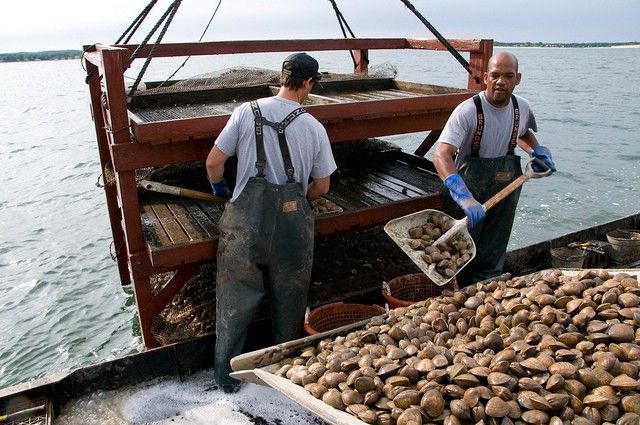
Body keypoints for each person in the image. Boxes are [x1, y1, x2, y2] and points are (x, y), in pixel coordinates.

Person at [205, 52, 337, 392]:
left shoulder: (244, 112)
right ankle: (284, 379)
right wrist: (301, 198)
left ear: (281, 78)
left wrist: (223, 191)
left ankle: (227, 381)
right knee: (290, 301)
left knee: (233, 303)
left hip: (244, 228)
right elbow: (322, 187)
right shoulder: (314, 127)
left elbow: (213, 163)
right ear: (309, 83)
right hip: (292, 230)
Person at [433, 51, 556, 287]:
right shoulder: (468, 111)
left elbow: (523, 133)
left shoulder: (522, 108)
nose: (502, 81)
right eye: (496, 75)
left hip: (505, 187)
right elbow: (441, 154)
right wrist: (462, 196)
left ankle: (487, 291)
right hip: (468, 189)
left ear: (518, 78)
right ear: (486, 77)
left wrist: (537, 152)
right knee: (458, 253)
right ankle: (457, 292)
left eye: (509, 76)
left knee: (494, 247)